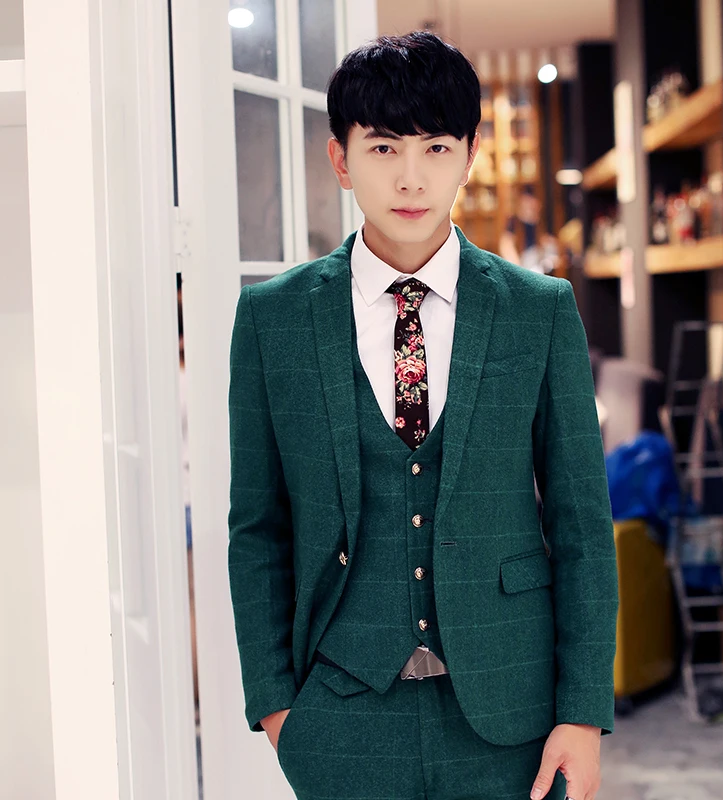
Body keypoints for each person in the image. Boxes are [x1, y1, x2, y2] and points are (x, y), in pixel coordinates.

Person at [227, 31, 618, 800]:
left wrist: (582, 711)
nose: (411, 177)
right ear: (341, 159)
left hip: (510, 716)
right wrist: (278, 710)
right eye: (383, 148)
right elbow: (257, 529)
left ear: (469, 155)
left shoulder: (538, 311)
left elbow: (581, 522)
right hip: (341, 720)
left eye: (436, 147)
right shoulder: (273, 320)